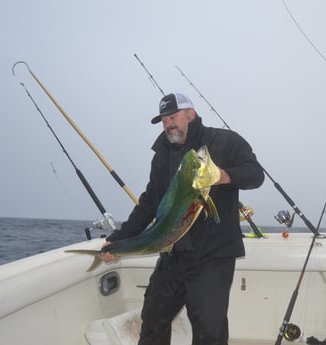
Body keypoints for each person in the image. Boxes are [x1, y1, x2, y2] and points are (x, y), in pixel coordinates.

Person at [102, 93, 264, 345]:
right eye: (164, 120)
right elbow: (149, 202)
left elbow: (255, 174)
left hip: (213, 255)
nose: (169, 125)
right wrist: (118, 240)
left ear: (191, 113)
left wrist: (222, 175)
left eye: (173, 117)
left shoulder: (224, 141)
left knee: (209, 331)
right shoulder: (162, 154)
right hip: (173, 253)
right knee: (153, 319)